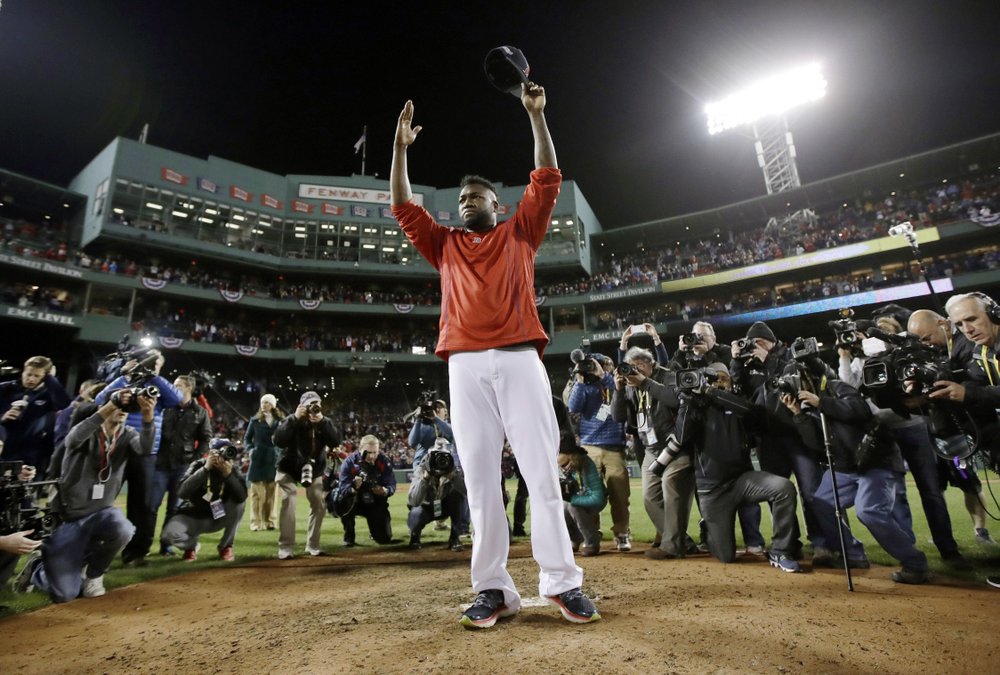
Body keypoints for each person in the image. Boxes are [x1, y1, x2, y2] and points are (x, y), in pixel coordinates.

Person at [390, 82, 600, 628]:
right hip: (463, 367)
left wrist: (535, 116)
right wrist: (400, 151)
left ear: (496, 205)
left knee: (540, 473)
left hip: (516, 359)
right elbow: (402, 205)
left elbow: (547, 176)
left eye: (475, 198)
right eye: (461, 200)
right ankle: (493, 590)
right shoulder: (445, 245)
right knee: (481, 481)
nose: (465, 203)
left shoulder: (521, 233)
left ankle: (561, 582)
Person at [780, 366, 930, 583]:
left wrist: (822, 402)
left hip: (875, 462)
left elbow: (859, 410)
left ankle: (916, 564)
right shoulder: (808, 405)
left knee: (869, 511)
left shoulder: (836, 387)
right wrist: (799, 414)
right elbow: (816, 444)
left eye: (795, 380)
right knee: (821, 502)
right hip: (845, 468)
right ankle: (853, 554)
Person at [12, 388, 155, 602]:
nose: (123, 410)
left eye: (126, 408)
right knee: (65, 594)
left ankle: (94, 575)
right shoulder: (87, 430)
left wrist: (147, 415)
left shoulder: (127, 435)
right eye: (119, 407)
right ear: (103, 407)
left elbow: (145, 449)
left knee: (124, 529)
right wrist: (111, 405)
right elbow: (72, 440)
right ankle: (37, 568)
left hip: (101, 513)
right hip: (68, 517)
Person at [676, 362, 801, 572]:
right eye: (712, 379)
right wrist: (689, 401)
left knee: (784, 489)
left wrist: (712, 392)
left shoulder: (738, 404)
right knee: (725, 556)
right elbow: (681, 437)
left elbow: (754, 413)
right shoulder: (696, 407)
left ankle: (781, 551)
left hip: (742, 481)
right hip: (712, 490)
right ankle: (708, 528)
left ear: (731, 381)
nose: (718, 383)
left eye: (723, 378)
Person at [730, 321, 826, 560]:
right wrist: (736, 362)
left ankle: (823, 543)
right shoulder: (747, 364)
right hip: (768, 438)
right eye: (754, 343)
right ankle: (789, 542)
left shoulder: (788, 357)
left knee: (811, 491)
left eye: (761, 342)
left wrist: (767, 359)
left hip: (798, 435)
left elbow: (791, 379)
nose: (756, 347)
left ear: (770, 342)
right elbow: (738, 392)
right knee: (778, 493)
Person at [908, 307, 998, 548]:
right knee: (934, 488)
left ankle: (981, 531)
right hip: (934, 432)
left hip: (961, 431)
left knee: (969, 482)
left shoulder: (966, 345)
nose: (924, 344)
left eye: (927, 338)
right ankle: (942, 534)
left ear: (942, 324)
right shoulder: (922, 355)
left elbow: (975, 385)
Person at [93, 351, 183, 567]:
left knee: (141, 504)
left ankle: (135, 554)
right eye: (148, 363)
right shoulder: (123, 380)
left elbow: (177, 398)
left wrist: (151, 376)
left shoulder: (157, 386)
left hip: (145, 451)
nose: (152, 366)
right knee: (101, 499)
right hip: (115, 449)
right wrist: (127, 375)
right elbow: (99, 399)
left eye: (157, 363)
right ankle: (92, 547)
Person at [610, 345, 693, 560]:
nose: (635, 371)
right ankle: (681, 540)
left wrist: (645, 382)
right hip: (650, 449)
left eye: (640, 366)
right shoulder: (628, 386)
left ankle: (672, 546)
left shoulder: (667, 376)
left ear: (651, 365)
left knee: (671, 487)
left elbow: (675, 400)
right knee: (649, 498)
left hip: (675, 446)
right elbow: (618, 417)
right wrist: (618, 390)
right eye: (631, 366)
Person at [566, 352, 631, 551]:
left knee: (619, 493)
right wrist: (579, 381)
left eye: (605, 365)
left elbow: (624, 395)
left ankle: (621, 533)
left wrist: (604, 376)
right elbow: (573, 407)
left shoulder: (616, 382)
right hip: (588, 446)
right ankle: (592, 532)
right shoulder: (584, 386)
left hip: (614, 446)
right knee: (588, 492)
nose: (601, 368)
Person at [272, 391, 341, 559]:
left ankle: (313, 545)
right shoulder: (291, 420)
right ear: (301, 406)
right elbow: (278, 441)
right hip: (289, 467)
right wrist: (294, 419)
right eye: (310, 404)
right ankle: (286, 547)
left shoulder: (325, 422)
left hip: (314, 468)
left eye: (316, 404)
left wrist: (323, 423)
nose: (313, 408)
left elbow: (335, 441)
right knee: (289, 499)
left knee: (318, 502)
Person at [159, 439, 247, 561]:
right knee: (168, 535)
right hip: (194, 516)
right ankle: (191, 547)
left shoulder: (233, 469)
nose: (225, 457)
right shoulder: (198, 465)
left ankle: (226, 547)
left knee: (240, 504)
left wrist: (228, 475)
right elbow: (182, 493)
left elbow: (242, 497)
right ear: (211, 453)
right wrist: (205, 469)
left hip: (218, 517)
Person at [152, 375, 212, 555]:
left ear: (189, 389)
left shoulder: (200, 412)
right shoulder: (164, 406)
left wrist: (193, 460)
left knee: (174, 508)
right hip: (160, 463)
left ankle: (166, 545)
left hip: (182, 465)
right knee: (151, 506)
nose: (173, 387)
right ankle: (142, 546)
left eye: (177, 385)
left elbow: (205, 439)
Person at [0, 355, 71, 478]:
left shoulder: (48, 394)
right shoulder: (5, 388)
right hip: (4, 450)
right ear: (23, 371)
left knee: (25, 494)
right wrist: (2, 417)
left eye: (37, 376)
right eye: (28, 374)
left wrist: (51, 379)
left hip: (31, 455)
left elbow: (64, 404)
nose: (31, 379)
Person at [333, 435, 396, 546]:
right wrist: (352, 488)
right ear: (360, 449)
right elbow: (343, 487)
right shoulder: (349, 462)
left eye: (375, 452)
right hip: (355, 501)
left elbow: (391, 484)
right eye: (368, 452)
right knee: (341, 499)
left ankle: (376, 533)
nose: (372, 456)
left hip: (375, 501)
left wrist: (385, 491)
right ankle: (349, 538)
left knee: (384, 539)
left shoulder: (384, 461)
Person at [557, 444, 607, 556]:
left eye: (564, 465)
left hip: (595, 501)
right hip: (577, 498)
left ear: (570, 456)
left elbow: (597, 498)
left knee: (572, 506)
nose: (563, 469)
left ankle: (592, 543)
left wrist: (572, 499)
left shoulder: (585, 465)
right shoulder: (558, 467)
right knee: (561, 506)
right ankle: (575, 539)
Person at [243, 394, 282, 532]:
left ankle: (270, 521)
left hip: (273, 459)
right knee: (256, 494)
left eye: (266, 402)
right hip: (258, 459)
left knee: (271, 494)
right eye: (262, 402)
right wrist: (250, 450)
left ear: (272, 405)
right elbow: (247, 439)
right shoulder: (254, 421)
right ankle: (255, 523)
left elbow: (284, 441)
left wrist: (278, 451)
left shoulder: (280, 422)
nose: (263, 404)